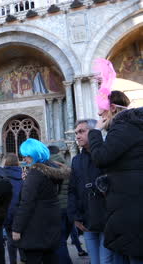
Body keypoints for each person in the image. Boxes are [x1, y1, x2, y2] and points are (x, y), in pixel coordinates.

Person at [87, 90, 143, 263]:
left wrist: (95, 132)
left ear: (112, 108)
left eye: (102, 111)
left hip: (131, 204)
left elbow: (101, 157)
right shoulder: (133, 125)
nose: (99, 115)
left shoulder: (124, 126)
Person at [12, 138, 69, 264]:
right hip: (51, 224)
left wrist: (17, 228)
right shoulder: (53, 169)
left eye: (26, 156)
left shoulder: (35, 174)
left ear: (34, 154)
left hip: (35, 229)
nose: (24, 159)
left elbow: (26, 203)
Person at [68, 119, 114, 264]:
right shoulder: (76, 160)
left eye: (82, 131)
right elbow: (73, 189)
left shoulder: (106, 154)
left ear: (94, 132)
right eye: (76, 133)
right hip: (87, 220)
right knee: (95, 261)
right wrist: (75, 216)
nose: (77, 136)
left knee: (106, 260)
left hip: (107, 218)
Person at [2, 153, 26, 264]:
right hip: (20, 214)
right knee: (21, 237)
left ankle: (13, 262)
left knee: (11, 240)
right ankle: (24, 259)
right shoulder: (22, 177)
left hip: (7, 213)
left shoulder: (1, 177)